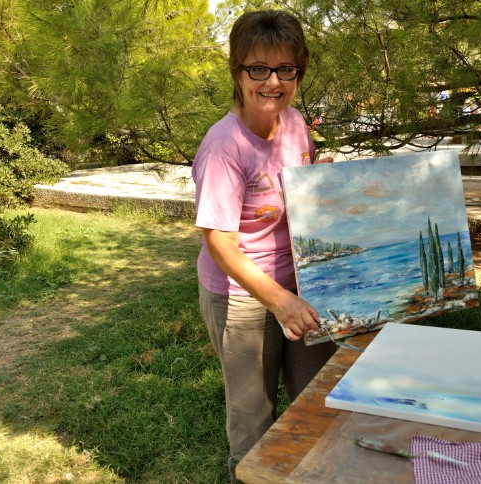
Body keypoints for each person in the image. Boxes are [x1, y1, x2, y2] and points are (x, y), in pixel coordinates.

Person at [191, 9, 337, 468]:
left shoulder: (294, 124)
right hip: (241, 296)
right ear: (237, 72)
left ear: (299, 72)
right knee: (253, 414)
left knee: (319, 397)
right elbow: (220, 243)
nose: (272, 82)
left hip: (302, 282)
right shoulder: (223, 147)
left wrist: (320, 182)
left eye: (285, 69)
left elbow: (294, 196)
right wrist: (279, 301)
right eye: (258, 68)